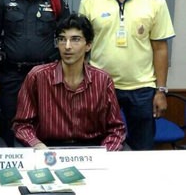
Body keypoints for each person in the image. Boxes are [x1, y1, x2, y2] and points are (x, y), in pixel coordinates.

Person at [79, 0, 175, 150]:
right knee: (99, 148)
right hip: (100, 87)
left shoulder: (155, 1)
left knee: (142, 148)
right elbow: (81, 48)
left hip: (142, 90)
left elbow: (160, 48)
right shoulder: (90, 1)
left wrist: (161, 90)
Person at [0, 0, 70, 146]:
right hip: (11, 76)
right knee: (11, 126)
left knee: (45, 126)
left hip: (47, 75)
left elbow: (67, 36)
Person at [13, 13, 125, 151]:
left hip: (91, 149)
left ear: (88, 45)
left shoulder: (102, 80)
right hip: (48, 149)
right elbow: (21, 125)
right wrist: (36, 144)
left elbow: (116, 129)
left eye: (75, 40)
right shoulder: (37, 76)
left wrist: (104, 154)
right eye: (62, 39)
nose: (67, 46)